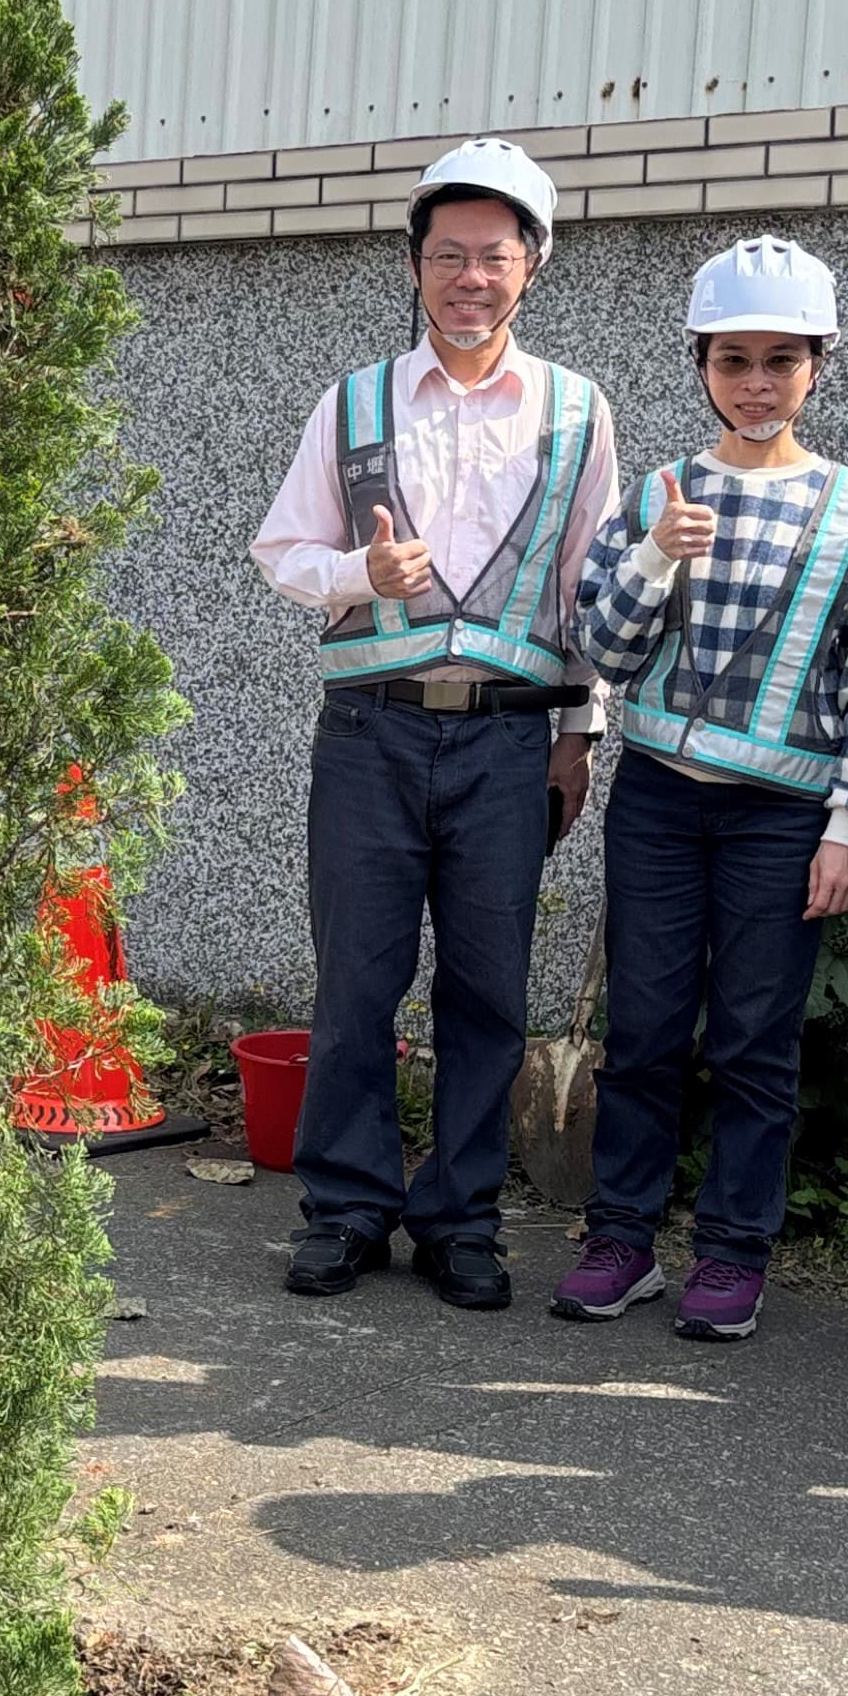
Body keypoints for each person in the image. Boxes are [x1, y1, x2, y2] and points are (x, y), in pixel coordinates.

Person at [251, 140, 618, 1312]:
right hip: (371, 729)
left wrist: (581, 737)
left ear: (534, 266)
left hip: (512, 741)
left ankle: (460, 1217)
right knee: (356, 978)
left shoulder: (576, 410)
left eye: (493, 257)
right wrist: (357, 568)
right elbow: (280, 552)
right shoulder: (353, 401)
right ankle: (346, 1205)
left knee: (487, 988)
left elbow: (587, 592)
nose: (470, 277)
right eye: (448, 255)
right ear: (414, 265)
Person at [555, 237, 848, 1341]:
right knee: (646, 1025)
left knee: (756, 1035)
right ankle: (621, 1236)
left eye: (781, 361)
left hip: (784, 814)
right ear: (700, 364)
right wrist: (656, 555)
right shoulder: (661, 494)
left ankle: (733, 1253)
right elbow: (600, 652)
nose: (757, 383)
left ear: (819, 367)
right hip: (659, 794)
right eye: (734, 359)